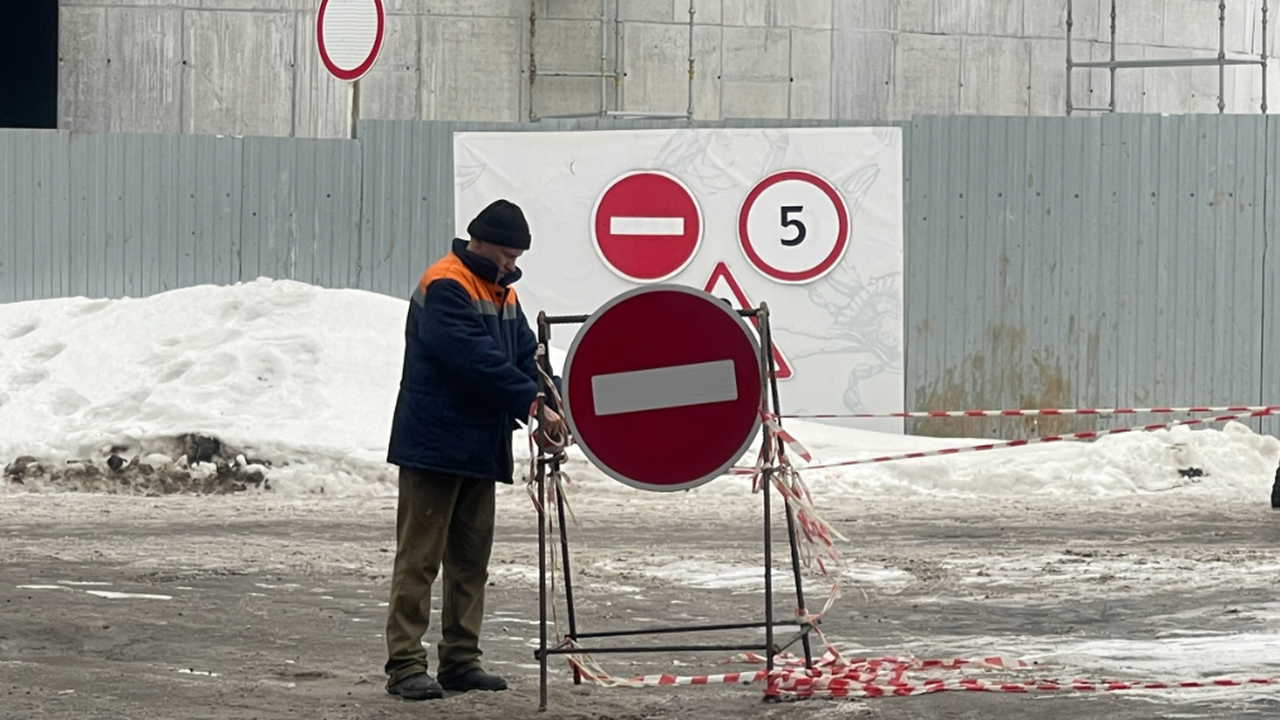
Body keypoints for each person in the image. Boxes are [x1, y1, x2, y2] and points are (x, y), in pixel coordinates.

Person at [383, 198, 567, 701]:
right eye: (507, 254)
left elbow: (528, 353)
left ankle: (461, 661)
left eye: (516, 256)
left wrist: (553, 399)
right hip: (435, 443)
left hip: (478, 443)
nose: (512, 264)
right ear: (478, 241)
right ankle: (405, 665)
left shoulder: (503, 293)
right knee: (419, 559)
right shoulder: (446, 283)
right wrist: (532, 405)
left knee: (470, 560)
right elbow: (474, 359)